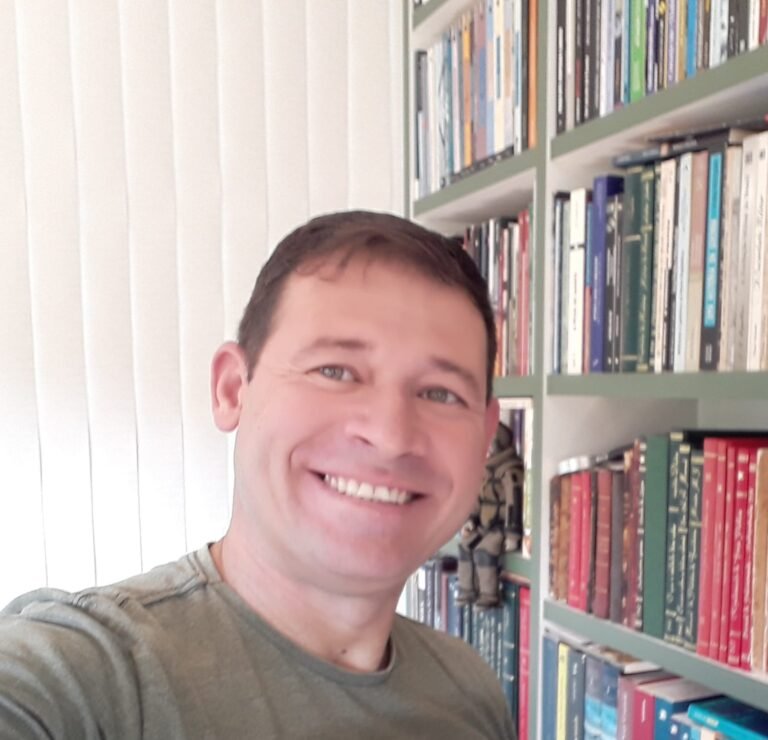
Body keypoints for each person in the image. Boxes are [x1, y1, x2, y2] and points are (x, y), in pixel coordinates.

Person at [0, 211, 516, 739]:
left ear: (484, 435)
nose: (390, 435)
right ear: (233, 390)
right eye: (335, 371)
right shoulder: (88, 677)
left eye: (441, 394)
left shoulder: (469, 690)